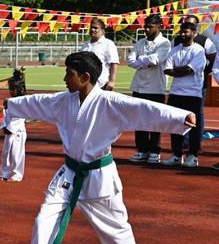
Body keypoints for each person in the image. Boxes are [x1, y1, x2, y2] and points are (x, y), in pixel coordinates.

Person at [5, 51, 194, 244]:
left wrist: (180, 118)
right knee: (43, 222)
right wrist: (13, 105)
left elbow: (144, 110)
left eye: (69, 74)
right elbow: (38, 102)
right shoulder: (64, 101)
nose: (64, 79)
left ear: (85, 77)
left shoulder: (110, 102)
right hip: (69, 174)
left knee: (117, 229)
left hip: (99, 176)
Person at [127, 14, 171, 164]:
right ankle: (142, 149)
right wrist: (144, 61)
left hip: (156, 87)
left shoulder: (165, 43)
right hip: (139, 87)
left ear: (159, 26)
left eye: (150, 27)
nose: (146, 29)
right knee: (139, 120)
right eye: (145, 26)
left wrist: (140, 60)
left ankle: (155, 151)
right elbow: (130, 61)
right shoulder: (140, 42)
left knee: (155, 120)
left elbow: (156, 60)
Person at [162, 21, 206, 167]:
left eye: (186, 32)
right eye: (181, 31)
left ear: (194, 33)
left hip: (193, 94)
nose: (182, 34)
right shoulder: (174, 50)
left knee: (194, 126)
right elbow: (167, 70)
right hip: (175, 93)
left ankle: (193, 155)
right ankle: (176, 154)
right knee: (176, 125)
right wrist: (182, 70)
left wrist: (177, 70)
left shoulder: (199, 50)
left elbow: (189, 70)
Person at [0, 78, 27, 182]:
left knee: (16, 154)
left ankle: (17, 174)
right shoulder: (9, 101)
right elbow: (6, 115)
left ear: (19, 89)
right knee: (6, 153)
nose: (11, 91)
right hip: (8, 130)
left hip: (18, 131)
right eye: (10, 88)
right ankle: (4, 173)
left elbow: (20, 118)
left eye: (13, 89)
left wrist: (10, 128)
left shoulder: (23, 102)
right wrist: (4, 126)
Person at [80, 17, 119, 90]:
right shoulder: (85, 45)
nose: (92, 29)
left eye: (95, 28)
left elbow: (114, 63)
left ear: (102, 30)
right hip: (86, 84)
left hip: (101, 84)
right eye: (91, 27)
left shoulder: (108, 44)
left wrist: (112, 81)